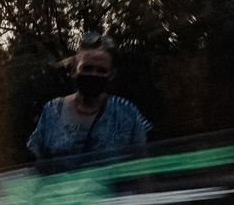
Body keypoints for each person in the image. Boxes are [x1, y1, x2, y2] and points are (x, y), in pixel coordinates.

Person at [25, 33, 151, 168]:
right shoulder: (51, 111)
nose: (94, 74)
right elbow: (39, 166)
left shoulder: (127, 112)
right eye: (87, 68)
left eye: (101, 70)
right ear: (74, 70)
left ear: (111, 75)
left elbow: (142, 166)